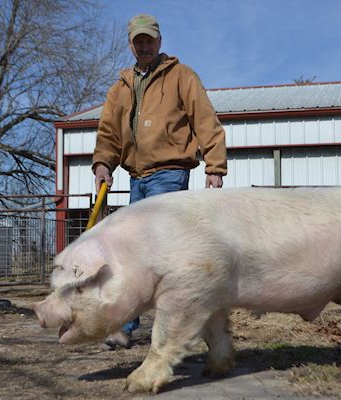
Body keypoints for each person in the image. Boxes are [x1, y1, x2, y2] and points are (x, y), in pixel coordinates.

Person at [91, 13, 228, 349]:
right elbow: (108, 133)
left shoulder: (181, 76)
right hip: (136, 177)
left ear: (159, 41)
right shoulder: (120, 88)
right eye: (138, 40)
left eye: (149, 39)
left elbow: (205, 120)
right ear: (130, 44)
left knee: (154, 250)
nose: (144, 45)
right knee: (134, 252)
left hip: (169, 173)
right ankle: (129, 324)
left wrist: (215, 166)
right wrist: (102, 164)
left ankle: (173, 326)